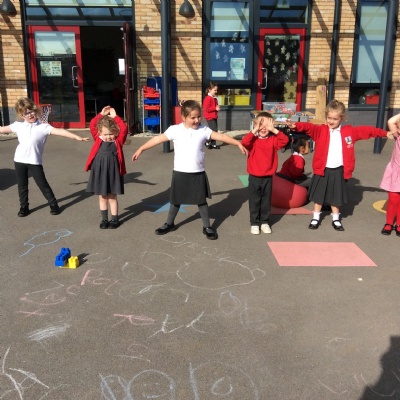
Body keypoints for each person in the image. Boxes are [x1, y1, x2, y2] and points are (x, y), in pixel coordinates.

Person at [132, 100, 247, 240]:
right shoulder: (174, 130)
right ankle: (169, 223)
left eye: (199, 116)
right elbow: (157, 139)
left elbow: (221, 136)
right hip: (180, 172)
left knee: (201, 201)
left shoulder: (204, 130)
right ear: (183, 117)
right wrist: (141, 148)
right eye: (193, 117)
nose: (197, 120)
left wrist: (237, 143)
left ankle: (207, 227)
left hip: (197, 172)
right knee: (176, 200)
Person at [286, 99, 393, 231]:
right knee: (319, 196)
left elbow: (367, 131)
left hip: (338, 170)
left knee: (336, 197)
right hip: (322, 169)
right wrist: (295, 125)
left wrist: (385, 133)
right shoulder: (320, 130)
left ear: (342, 118)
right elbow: (309, 127)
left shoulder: (349, 132)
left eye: (335, 119)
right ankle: (316, 217)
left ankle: (336, 218)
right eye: (329, 118)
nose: (331, 121)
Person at [0, 97, 89, 217]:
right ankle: (24, 207)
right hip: (19, 160)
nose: (30, 115)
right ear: (21, 116)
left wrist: (77, 137)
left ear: (35, 110)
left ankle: (53, 204)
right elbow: (2, 129)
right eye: (26, 113)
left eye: (31, 111)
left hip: (34, 161)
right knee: (22, 185)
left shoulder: (43, 127)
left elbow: (60, 131)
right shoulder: (18, 126)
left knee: (43, 184)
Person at [242, 111, 289, 235]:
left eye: (267, 125)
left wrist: (274, 130)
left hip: (268, 177)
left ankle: (264, 222)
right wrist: (255, 129)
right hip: (254, 177)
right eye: (260, 125)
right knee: (254, 201)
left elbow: (285, 140)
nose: (263, 128)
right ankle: (254, 223)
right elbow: (245, 142)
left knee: (266, 201)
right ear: (256, 125)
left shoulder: (273, 140)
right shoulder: (253, 140)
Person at [85, 106, 128, 229]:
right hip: (100, 170)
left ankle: (114, 219)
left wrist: (115, 117)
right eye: (105, 134)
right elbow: (92, 124)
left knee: (112, 197)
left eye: (111, 134)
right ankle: (104, 219)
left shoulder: (118, 141)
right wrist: (101, 114)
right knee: (103, 196)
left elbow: (124, 128)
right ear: (99, 132)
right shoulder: (98, 138)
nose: (108, 137)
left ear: (115, 132)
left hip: (113, 171)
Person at [379, 113, 400, 236]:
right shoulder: (398, 135)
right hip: (396, 172)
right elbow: (391, 121)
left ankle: (399, 224)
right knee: (393, 199)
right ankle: (389, 223)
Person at [202, 82, 221, 149]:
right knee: (213, 130)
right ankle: (207, 141)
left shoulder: (214, 98)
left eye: (216, 90)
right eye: (214, 90)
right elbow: (206, 109)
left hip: (214, 116)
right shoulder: (208, 98)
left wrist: (217, 108)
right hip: (209, 117)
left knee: (214, 130)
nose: (216, 92)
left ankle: (213, 144)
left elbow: (215, 107)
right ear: (209, 89)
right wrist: (215, 108)